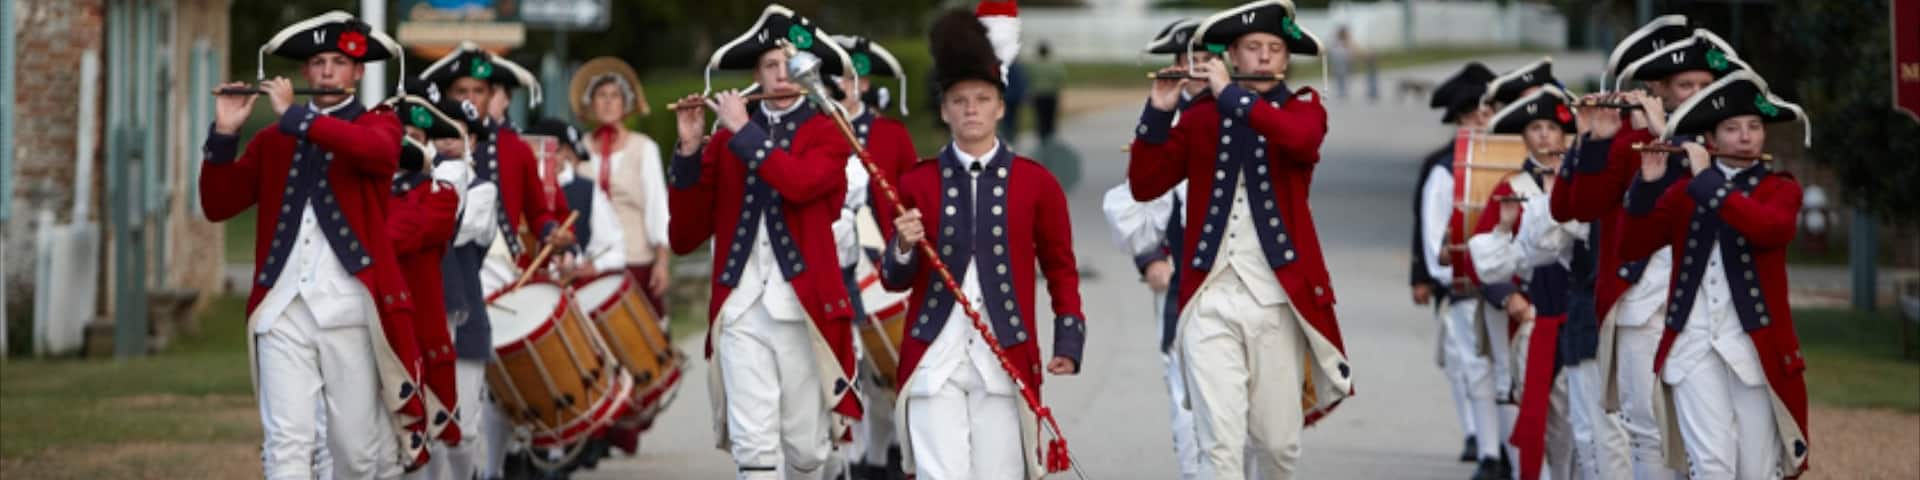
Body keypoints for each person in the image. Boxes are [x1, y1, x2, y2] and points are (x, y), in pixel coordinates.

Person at [1128, 1, 1353, 477]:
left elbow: (1299, 142)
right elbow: (1144, 184)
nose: (1266, 58)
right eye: (1253, 48)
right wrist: (1158, 111)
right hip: (1209, 297)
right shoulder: (1202, 116)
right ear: (1232, 54)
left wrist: (1231, 96)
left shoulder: (1305, 109)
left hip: (1276, 299)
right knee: (1219, 447)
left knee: (1277, 448)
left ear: (1287, 60)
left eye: (1274, 49)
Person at [199, 11, 428, 478]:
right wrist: (225, 133)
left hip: (350, 310)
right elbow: (218, 204)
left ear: (358, 73)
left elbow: (379, 154)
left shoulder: (379, 124)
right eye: (319, 62)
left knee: (356, 455)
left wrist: (298, 118)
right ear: (305, 72)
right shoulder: (271, 140)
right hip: (282, 311)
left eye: (339, 63)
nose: (327, 71)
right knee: (286, 446)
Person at [880, 4, 1087, 478]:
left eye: (981, 98)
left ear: (1000, 105)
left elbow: (1060, 266)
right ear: (945, 111)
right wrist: (903, 246)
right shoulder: (915, 183)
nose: (970, 108)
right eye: (958, 100)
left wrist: (1069, 335)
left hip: (1004, 356)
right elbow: (894, 279)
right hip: (934, 359)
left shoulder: (1038, 183)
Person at [664, 5, 862, 478]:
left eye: (791, 64)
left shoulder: (828, 133)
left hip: (803, 306)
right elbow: (685, 236)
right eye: (770, 65)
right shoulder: (722, 141)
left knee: (807, 451)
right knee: (753, 447)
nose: (781, 74)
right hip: (740, 307)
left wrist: (742, 131)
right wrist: (690, 151)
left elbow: (797, 184)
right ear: (756, 73)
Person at [1566, 21, 1750, 480]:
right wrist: (1596, 140)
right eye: (1685, 85)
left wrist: (1674, 136)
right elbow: (1578, 206)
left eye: (1705, 86)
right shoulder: (1632, 141)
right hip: (1644, 301)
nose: (1695, 93)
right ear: (1659, 89)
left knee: (1719, 434)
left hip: (1715, 306)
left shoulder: (1727, 140)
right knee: (1646, 428)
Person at [1618, 70, 1811, 480]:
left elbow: (1767, 229)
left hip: (1753, 349)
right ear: (1711, 140)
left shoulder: (1781, 189)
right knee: (1710, 466)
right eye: (1733, 128)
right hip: (1692, 346)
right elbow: (1631, 248)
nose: (1746, 138)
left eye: (1754, 127)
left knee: (1756, 470)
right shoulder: (1684, 192)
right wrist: (1648, 185)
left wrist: (1707, 180)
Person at [1466, 84, 1583, 480]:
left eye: (1553, 126)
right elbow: (1479, 257)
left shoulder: (1584, 185)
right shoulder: (1511, 189)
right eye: (1536, 127)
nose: (1546, 135)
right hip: (1531, 316)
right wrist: (1508, 296)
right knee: (1531, 413)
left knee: (1577, 421)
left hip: (1579, 315)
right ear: (1524, 137)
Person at [827, 32, 922, 480]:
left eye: (849, 77)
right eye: (834, 77)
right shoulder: (813, 129)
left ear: (863, 83)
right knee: (846, 373)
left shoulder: (890, 134)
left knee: (887, 374)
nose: (841, 85)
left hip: (881, 262)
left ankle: (891, 452)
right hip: (830, 263)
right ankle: (854, 459)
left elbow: (912, 198)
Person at [1411, 61, 1506, 478]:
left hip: (1513, 283)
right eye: (1477, 113)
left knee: (1507, 372)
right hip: (1467, 284)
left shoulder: (1515, 154)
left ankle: (1507, 449)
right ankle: (1487, 449)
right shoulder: (1444, 167)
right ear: (1462, 117)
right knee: (1472, 365)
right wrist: (1433, 276)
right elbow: (1431, 230)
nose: (1485, 119)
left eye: (1491, 111)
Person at [387, 90, 481, 480]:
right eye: (400, 131)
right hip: (369, 310)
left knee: (432, 409)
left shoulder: (447, 178)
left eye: (416, 133)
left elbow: (410, 232)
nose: (407, 140)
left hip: (430, 301)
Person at [420, 41, 573, 275]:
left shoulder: (517, 148)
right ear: (448, 95)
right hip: (442, 263)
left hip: (501, 266)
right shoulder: (427, 144)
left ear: (491, 94)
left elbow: (537, 213)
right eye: (461, 91)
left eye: (479, 91)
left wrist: (551, 231)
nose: (470, 99)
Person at [570, 57, 673, 317]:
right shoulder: (578, 148)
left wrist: (661, 262)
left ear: (625, 103)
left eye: (614, 95)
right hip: (591, 261)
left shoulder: (643, 148)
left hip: (635, 258)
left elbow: (657, 206)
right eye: (601, 95)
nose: (607, 101)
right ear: (590, 104)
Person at [526, 119, 629, 283]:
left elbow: (616, 250)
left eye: (556, 151)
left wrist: (592, 265)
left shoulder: (586, 190)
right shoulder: (520, 184)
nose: (551, 158)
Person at [1026, 41, 1065, 143]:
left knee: (1040, 116)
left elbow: (1029, 79)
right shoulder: (1055, 65)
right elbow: (1060, 79)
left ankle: (1041, 136)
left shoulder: (1033, 65)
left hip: (1038, 94)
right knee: (1050, 116)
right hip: (1051, 94)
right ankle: (1050, 136)